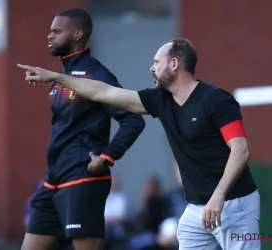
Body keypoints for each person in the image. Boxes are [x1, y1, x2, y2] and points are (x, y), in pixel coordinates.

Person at [17, 37, 260, 250]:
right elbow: (104, 93)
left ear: (175, 64)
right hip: (197, 209)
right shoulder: (160, 100)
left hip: (234, 204)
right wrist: (57, 77)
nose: (151, 68)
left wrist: (218, 196)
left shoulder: (216, 100)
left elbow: (241, 149)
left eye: (157, 62)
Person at [19, 8, 145, 250]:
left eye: (57, 31)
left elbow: (133, 120)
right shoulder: (59, 76)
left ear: (77, 34)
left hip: (82, 181)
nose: (49, 36)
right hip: (51, 184)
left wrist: (107, 157)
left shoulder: (96, 74)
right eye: (50, 31)